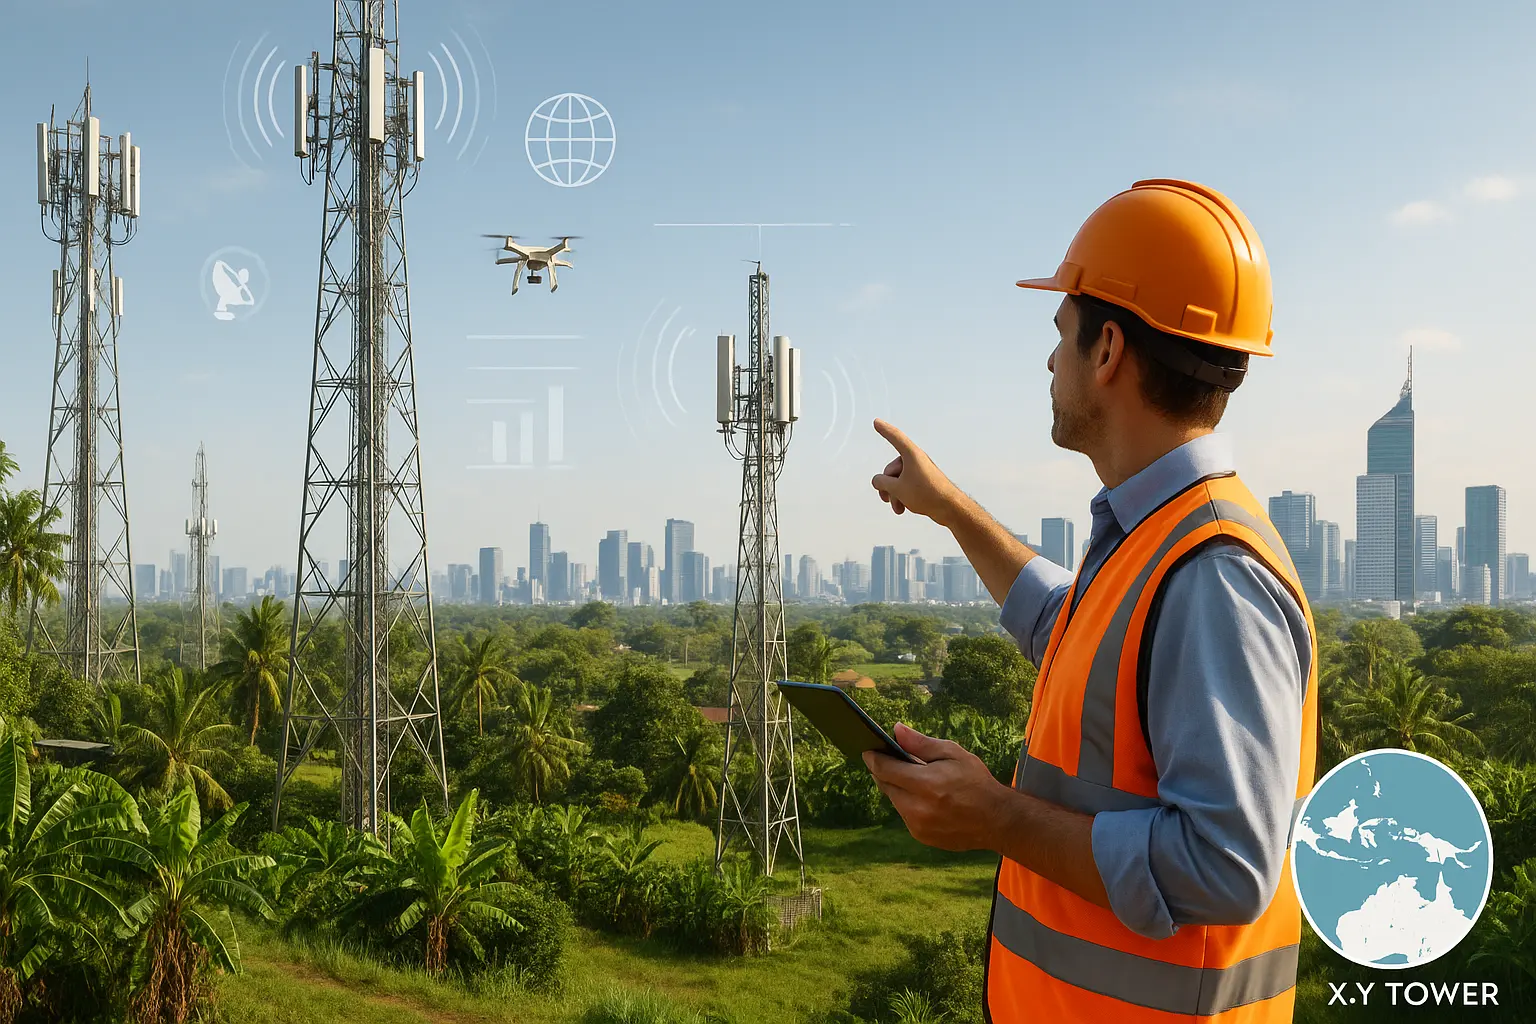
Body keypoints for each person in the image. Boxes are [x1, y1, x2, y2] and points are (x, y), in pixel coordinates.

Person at [863, 179, 1318, 1023]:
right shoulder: (1154, 539)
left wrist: (996, 816)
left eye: (1060, 335)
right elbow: (1067, 633)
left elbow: (1227, 865)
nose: (1049, 360)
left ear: (1107, 350)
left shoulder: (1212, 571)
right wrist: (950, 506)